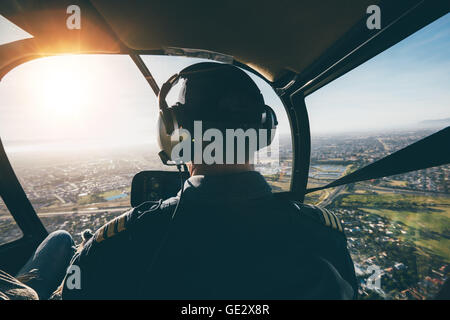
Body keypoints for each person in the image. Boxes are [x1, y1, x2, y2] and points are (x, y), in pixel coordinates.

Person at [61, 62, 357, 299]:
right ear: (263, 131)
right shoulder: (322, 235)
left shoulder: (118, 243)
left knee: (59, 242)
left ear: (172, 134)